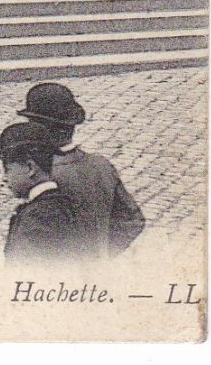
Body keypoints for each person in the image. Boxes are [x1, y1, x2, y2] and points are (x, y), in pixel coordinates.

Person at [17, 82, 146, 258]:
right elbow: (132, 221)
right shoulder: (101, 165)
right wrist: (100, 254)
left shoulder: (42, 175)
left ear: (37, 128)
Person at [0, 122, 93, 266]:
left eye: (8, 169)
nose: (4, 178)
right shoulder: (65, 204)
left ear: (30, 167)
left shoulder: (37, 218)